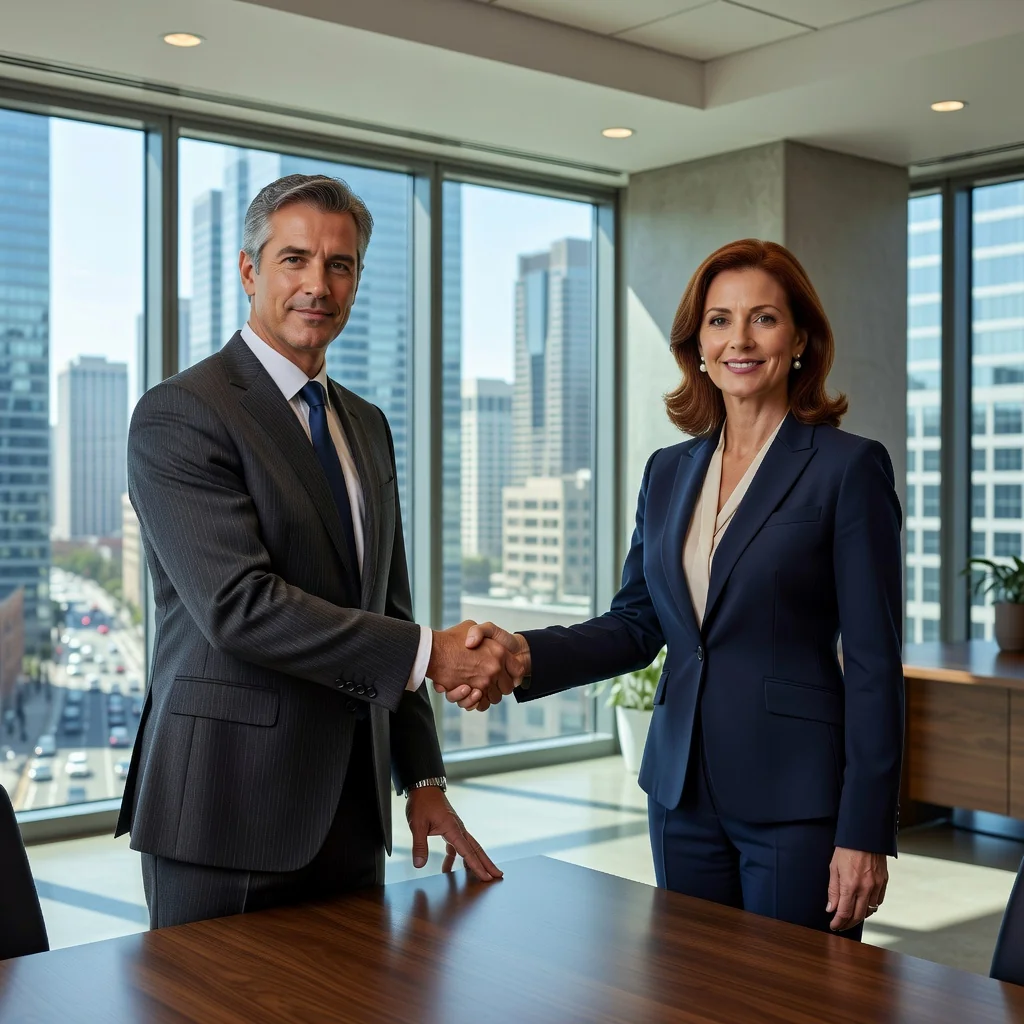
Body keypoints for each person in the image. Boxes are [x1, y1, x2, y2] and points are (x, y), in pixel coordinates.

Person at [444, 239, 904, 939]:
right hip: (679, 793)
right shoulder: (668, 471)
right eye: (719, 321)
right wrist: (522, 655)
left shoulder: (848, 468)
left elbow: (873, 664)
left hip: (796, 798)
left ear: (800, 340)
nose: (739, 340)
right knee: (691, 987)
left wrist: (865, 830)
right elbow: (636, 622)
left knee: (792, 992)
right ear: (698, 346)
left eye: (763, 319)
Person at [118, 174, 521, 928]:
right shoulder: (181, 413)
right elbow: (239, 608)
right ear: (249, 271)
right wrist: (433, 653)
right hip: (226, 808)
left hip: (352, 810)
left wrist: (423, 778)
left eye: (340, 265)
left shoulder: (365, 424)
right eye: (295, 259)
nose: (318, 284)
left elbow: (389, 608)